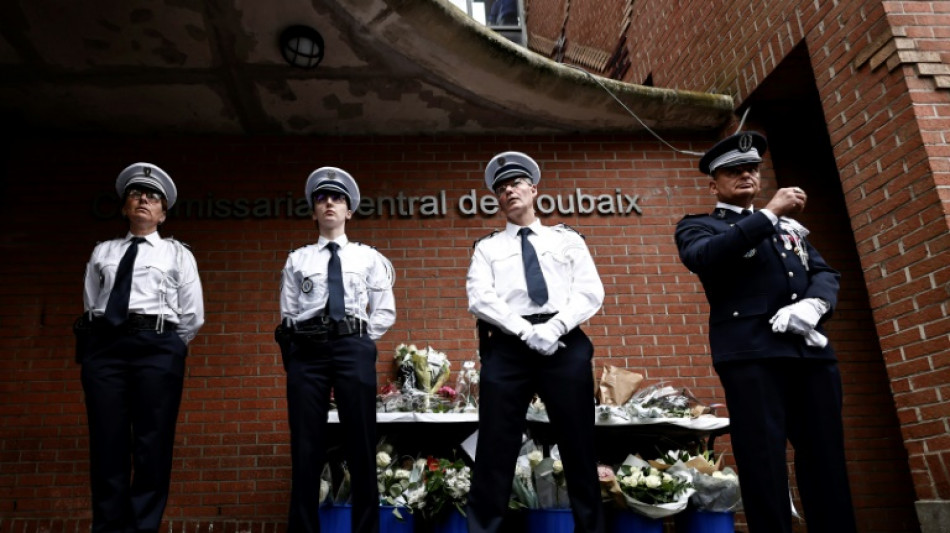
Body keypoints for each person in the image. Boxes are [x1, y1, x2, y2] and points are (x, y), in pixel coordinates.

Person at [674, 131, 857, 533]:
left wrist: (815, 304)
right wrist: (770, 213)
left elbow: (824, 271)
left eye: (752, 169)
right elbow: (704, 257)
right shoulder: (700, 225)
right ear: (714, 185)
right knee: (763, 458)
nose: (746, 175)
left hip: (809, 355)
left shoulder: (788, 226)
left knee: (826, 457)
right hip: (752, 355)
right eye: (734, 171)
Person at [466, 151, 605, 533]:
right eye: (501, 188)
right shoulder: (487, 247)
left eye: (516, 183)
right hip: (509, 346)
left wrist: (555, 327)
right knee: (495, 447)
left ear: (533, 190)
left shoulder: (566, 239)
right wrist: (527, 332)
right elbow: (480, 298)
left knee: (578, 445)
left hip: (564, 344)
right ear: (497, 200)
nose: (509, 191)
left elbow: (589, 291)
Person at [76, 162, 205, 533]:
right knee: (107, 441)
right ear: (124, 207)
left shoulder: (178, 254)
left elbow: (192, 315)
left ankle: (143, 526)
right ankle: (108, 526)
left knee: (153, 441)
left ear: (163, 213)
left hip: (158, 347)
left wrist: (165, 344)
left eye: (153, 197)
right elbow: (92, 303)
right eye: (136, 194)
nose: (143, 199)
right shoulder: (103, 252)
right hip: (106, 348)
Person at [277, 167, 396, 533]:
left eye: (337, 198)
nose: (329, 203)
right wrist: (300, 349)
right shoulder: (298, 259)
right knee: (305, 446)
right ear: (314, 211)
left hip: (352, 347)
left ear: (349, 211)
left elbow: (385, 310)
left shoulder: (368, 257)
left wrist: (358, 339)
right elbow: (288, 313)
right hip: (307, 351)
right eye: (321, 198)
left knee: (361, 443)